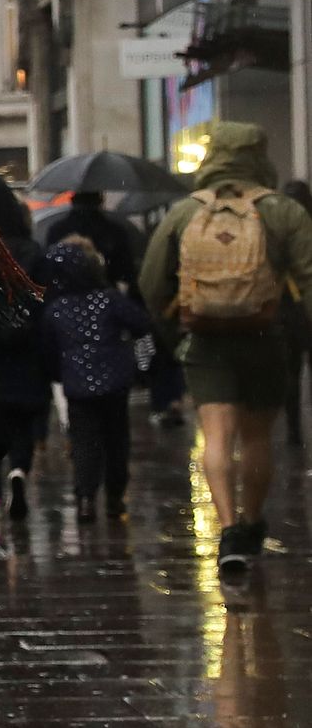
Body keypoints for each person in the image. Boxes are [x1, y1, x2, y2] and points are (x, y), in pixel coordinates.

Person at [137, 121, 312, 589]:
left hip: (205, 341)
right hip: (265, 339)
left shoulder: (183, 213)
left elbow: (152, 283)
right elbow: (309, 275)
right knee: (257, 439)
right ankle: (251, 526)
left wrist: (176, 333)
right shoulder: (283, 211)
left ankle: (228, 527)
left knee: (216, 437)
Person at [36, 235, 151, 525]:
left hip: (77, 386)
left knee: (85, 443)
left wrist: (57, 374)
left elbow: (48, 351)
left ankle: (86, 498)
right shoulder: (108, 299)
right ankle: (114, 496)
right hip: (114, 381)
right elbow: (140, 322)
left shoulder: (56, 310)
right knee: (116, 441)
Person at [0, 172, 51, 539]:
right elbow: (43, 301)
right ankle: (19, 470)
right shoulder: (30, 250)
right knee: (20, 423)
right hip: (23, 349)